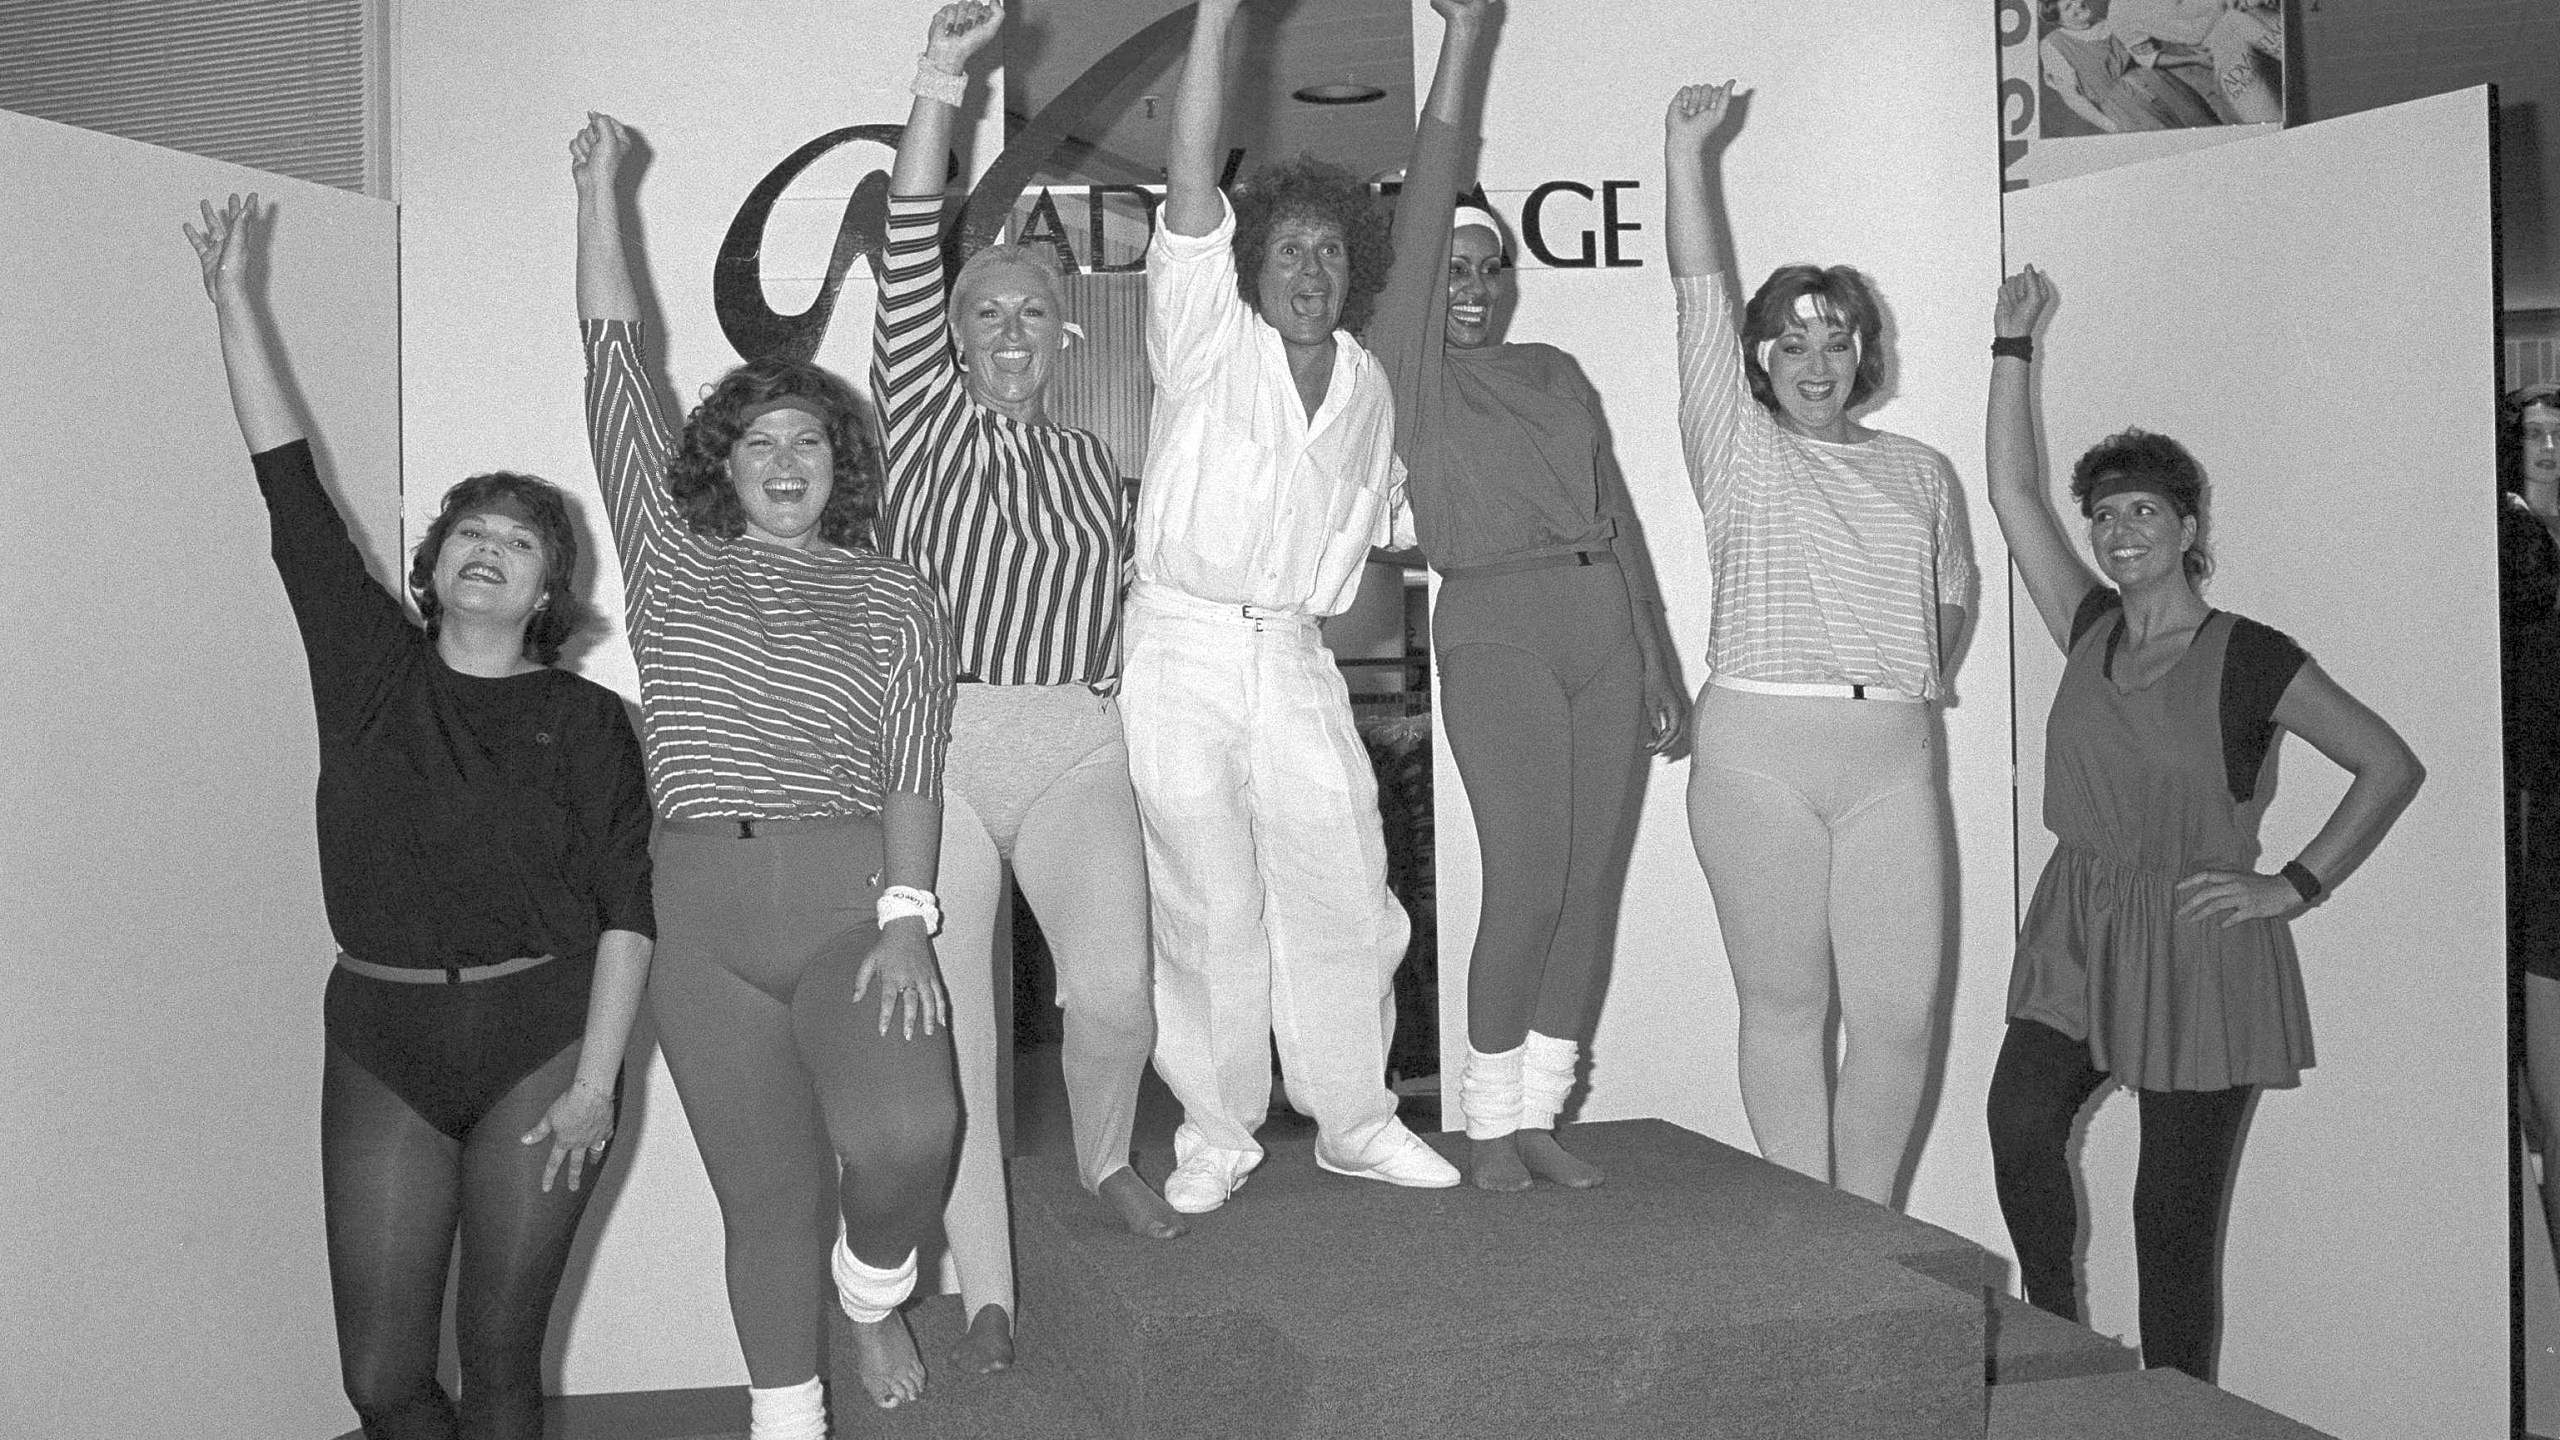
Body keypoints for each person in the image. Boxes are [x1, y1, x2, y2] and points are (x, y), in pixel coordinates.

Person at [187, 194, 656, 1440]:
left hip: (543, 1040)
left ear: (551, 586)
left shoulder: (591, 719)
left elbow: (627, 914)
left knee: (502, 1367)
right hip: (382, 1030)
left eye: (519, 540)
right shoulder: (369, 671)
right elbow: (290, 488)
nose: (488, 549)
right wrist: (232, 297)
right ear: (433, 561)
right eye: (469, 531)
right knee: (384, 1381)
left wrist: (599, 1085)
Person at [574, 115, 961, 1433]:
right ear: (721, 469)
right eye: (759, 443)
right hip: (699, 914)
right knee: (765, 1202)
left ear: (838, 467)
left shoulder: (897, 594)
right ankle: (785, 1418)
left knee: (910, 1140)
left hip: (854, 901)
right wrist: (598, 198)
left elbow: (915, 762)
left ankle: (874, 1284)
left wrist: (910, 916)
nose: (787, 459)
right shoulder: (673, 563)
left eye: (809, 441)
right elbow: (615, 374)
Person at [1980, 266, 2423, 1380]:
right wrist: (2010, 350)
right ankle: (2056, 1342)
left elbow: (2384, 763)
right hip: (2078, 924)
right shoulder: (2085, 624)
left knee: (2169, 1231)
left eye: (2141, 511)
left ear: (2187, 525)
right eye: (2106, 514)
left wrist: (2296, 884)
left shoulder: (2252, 655)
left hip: (2198, 945)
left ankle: (2174, 1416)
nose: (2118, 531)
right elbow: (2011, 498)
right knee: (2022, 1124)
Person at [871, 0, 1185, 1375]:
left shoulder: (1088, 464)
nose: (1007, 331)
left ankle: (1109, 1157)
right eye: (984, 313)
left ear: (1064, 335)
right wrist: (941, 78)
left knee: (1115, 993)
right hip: (942, 749)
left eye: (1031, 315)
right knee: (965, 1042)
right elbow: (906, 234)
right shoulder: (921, 416)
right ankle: (985, 1283)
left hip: (1074, 744)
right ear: (955, 336)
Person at [1121, 0, 1460, 1216]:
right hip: (1180, 641)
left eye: (1329, 252)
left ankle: (1356, 1119)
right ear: (1250, 261)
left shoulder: (1367, 388)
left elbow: (1394, 527)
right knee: (1204, 892)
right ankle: (1215, 1131)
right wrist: (1217, 23)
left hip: (1295, 655)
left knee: (1344, 878)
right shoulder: (1208, 335)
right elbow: (1187, 178)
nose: (1309, 270)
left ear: (1350, 269)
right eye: (1288, 250)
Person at [1369, 0, 1684, 1192]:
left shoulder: (1554, 371)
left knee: (1591, 883)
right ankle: (1485, 1122)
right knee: (1528, 875)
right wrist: (1463, 43)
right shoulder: (1414, 373)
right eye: (1452, 266)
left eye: (1489, 269)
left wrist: (1655, 662)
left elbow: (1622, 521)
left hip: (1603, 622)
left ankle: (1540, 1114)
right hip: (1493, 623)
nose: (1471, 286)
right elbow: (1429, 199)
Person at [1661, 82, 1976, 1205]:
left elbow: (1949, 592)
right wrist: (1685, 154)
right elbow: (1699, 299)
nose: (1813, 359)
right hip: (1757, 750)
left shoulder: (1920, 473)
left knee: (1898, 1014)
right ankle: (1809, 1228)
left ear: (1861, 353)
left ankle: (1865, 1226)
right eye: (1788, 341)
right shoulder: (1736, 447)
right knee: (1786, 1005)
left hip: (1890, 757)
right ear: (1755, 359)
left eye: (1834, 339)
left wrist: (1910, 666)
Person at [2503, 384, 2560, 1283]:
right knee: (2547, 1110)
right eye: (2537, 434)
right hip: (2533, 834)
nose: (2550, 447)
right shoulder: (2512, 546)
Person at [2039, 0, 2217, 135]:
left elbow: (2149, 58)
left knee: (2206, 130)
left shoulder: (2111, 22)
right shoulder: (2053, 45)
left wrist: (2195, 59)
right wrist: (2113, 127)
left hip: (2166, 87)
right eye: (2068, 7)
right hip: (2127, 109)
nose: (2078, 4)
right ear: (2058, 19)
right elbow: (2072, 98)